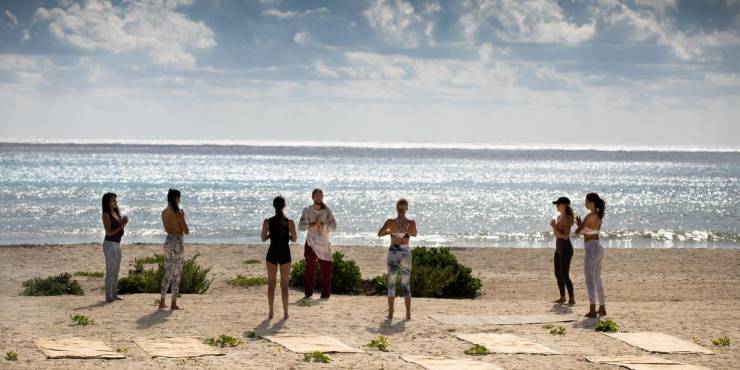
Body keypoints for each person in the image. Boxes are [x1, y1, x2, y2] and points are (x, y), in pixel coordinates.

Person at [377, 198, 417, 320]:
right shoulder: (411, 223)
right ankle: (408, 313)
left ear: (396, 208)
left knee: (392, 283)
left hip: (394, 250)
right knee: (405, 283)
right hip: (405, 251)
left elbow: (379, 233)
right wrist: (404, 233)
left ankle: (391, 313)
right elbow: (414, 234)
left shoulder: (390, 222)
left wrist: (391, 232)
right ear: (407, 209)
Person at [261, 196, 297, 319]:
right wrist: (287, 236)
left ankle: (271, 312)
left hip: (272, 252)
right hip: (285, 253)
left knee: (271, 284)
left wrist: (271, 234)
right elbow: (294, 238)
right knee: (284, 285)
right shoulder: (289, 222)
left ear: (273, 206)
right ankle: (286, 313)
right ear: (284, 206)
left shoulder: (267, 221)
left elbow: (263, 238)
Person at [298, 188, 337, 299]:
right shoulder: (307, 210)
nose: (318, 197)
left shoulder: (327, 211)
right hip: (311, 243)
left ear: (322, 197)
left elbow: (334, 226)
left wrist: (324, 225)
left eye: (320, 196)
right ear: (313, 197)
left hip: (324, 244)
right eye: (316, 196)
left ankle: (325, 295)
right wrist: (312, 224)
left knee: (327, 270)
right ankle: (308, 294)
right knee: (310, 269)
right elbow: (300, 226)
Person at [575, 192, 607, 318]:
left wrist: (579, 225)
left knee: (589, 280)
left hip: (591, 248)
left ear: (592, 202)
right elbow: (588, 232)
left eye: (587, 201)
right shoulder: (598, 215)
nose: (585, 203)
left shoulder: (589, 216)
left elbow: (578, 232)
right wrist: (580, 225)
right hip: (598, 247)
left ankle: (592, 309)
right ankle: (602, 307)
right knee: (597, 279)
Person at [160, 188, 189, 310]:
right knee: (176, 273)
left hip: (168, 241)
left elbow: (166, 228)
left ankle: (162, 301)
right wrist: (182, 218)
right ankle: (173, 303)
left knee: (168, 271)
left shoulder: (164, 212)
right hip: (177, 241)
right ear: (176, 198)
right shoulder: (179, 212)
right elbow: (186, 231)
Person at [101, 192, 128, 303]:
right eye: (113, 200)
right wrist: (121, 225)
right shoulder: (106, 214)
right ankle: (108, 297)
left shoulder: (116, 213)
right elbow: (109, 232)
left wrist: (123, 223)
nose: (115, 202)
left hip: (117, 244)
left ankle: (114, 295)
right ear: (107, 202)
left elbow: (119, 229)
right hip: (109, 244)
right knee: (110, 270)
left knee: (116, 270)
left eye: (116, 200)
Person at [549, 197, 575, 306]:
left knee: (564, 274)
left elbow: (565, 236)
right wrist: (555, 228)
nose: (556, 206)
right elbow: (557, 235)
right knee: (557, 273)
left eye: (558, 204)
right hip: (558, 247)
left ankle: (572, 298)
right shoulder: (559, 217)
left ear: (564, 205)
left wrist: (554, 227)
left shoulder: (568, 218)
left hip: (566, 248)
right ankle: (562, 297)